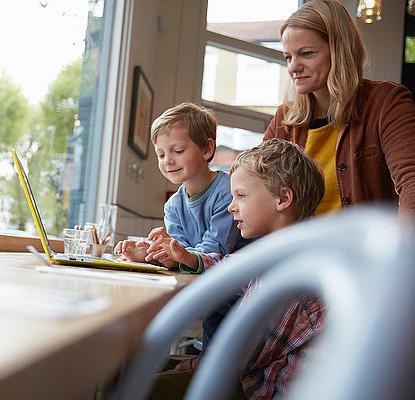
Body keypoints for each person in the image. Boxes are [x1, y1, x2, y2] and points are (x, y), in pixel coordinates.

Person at [147, 138, 326, 399]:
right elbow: (234, 267)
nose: (231, 206)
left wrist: (171, 371)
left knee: (137, 386)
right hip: (248, 376)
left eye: (241, 196)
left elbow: (235, 360)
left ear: (283, 198)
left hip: (258, 389)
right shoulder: (275, 252)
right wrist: (188, 258)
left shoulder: (291, 275)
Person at [264, 0, 415, 221]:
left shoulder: (386, 103)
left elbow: (411, 183)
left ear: (339, 51)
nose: (293, 67)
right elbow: (254, 189)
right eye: (289, 57)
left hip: (368, 251)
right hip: (302, 251)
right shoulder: (285, 119)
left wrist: (400, 249)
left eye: (306, 53)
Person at [114, 102, 244, 268]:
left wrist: (175, 255)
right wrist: (149, 255)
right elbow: (178, 255)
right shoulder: (173, 206)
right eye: (161, 154)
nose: (167, 160)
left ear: (207, 149)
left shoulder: (228, 194)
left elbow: (215, 251)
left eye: (178, 151)